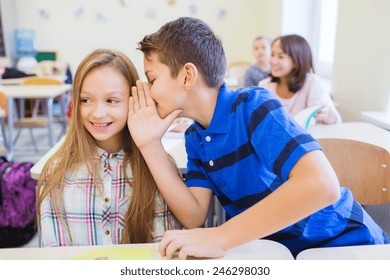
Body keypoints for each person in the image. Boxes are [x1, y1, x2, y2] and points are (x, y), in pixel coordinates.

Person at [128, 17, 388, 259]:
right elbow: (194, 214)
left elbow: (322, 184)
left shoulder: (253, 106)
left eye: (151, 79)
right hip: (283, 254)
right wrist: (150, 145)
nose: (148, 91)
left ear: (187, 75)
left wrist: (221, 236)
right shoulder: (195, 137)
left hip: (347, 245)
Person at [36, 49, 181, 247]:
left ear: (134, 100)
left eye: (111, 101)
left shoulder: (156, 168)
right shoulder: (56, 174)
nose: (98, 113)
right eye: (86, 100)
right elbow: (56, 256)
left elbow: (163, 251)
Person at [259, 34, 341, 124]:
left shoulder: (311, 82)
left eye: (280, 57)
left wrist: (327, 116)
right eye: (272, 54)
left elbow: (336, 121)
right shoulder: (264, 86)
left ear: (296, 61)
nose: (273, 61)